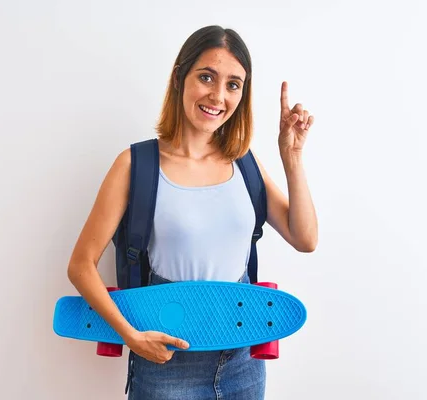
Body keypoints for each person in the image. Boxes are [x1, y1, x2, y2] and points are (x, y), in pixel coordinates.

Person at [67, 25, 318, 400]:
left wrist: (292, 157)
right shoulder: (136, 165)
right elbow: (81, 265)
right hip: (166, 361)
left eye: (233, 85)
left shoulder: (245, 165)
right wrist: (131, 337)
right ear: (179, 78)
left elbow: (305, 238)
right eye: (206, 77)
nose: (218, 95)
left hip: (244, 358)